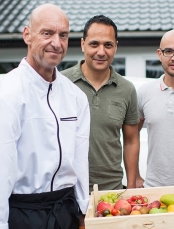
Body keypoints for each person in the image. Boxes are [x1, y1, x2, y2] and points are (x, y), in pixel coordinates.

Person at [0, 4, 90, 229]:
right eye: (47, 33)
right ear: (28, 35)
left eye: (63, 35)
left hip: (66, 212)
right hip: (24, 215)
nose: (56, 42)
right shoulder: (7, 93)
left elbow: (80, 161)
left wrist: (84, 211)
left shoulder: (76, 96)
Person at [61, 15, 140, 191]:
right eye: (94, 44)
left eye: (108, 45)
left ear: (116, 47)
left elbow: (131, 140)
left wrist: (132, 187)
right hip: (68, 190)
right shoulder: (61, 83)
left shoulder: (126, 90)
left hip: (112, 189)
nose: (101, 52)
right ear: (83, 44)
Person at [136, 29, 174, 187]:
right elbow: (131, 137)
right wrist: (134, 175)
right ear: (159, 54)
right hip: (152, 189)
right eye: (169, 51)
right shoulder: (144, 92)